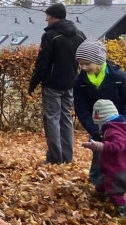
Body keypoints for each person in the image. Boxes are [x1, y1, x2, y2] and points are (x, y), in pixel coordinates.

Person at [74, 38, 126, 192]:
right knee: (99, 156)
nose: (83, 67)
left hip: (120, 126)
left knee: (120, 155)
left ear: (98, 61)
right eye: (80, 64)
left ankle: (121, 184)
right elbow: (81, 108)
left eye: (87, 64)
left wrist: (123, 123)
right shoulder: (80, 82)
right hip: (97, 127)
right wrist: (93, 129)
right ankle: (100, 185)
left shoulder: (119, 77)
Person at [28, 3, 86, 164]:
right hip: (71, 83)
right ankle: (67, 157)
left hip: (52, 84)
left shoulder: (50, 36)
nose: (46, 18)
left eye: (48, 15)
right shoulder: (79, 34)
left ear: (54, 17)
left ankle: (55, 157)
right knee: (66, 119)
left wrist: (34, 81)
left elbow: (43, 62)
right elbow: (85, 57)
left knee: (52, 120)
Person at [81, 99, 126, 217]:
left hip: (118, 169)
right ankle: (100, 194)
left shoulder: (112, 131)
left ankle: (124, 209)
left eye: (99, 124)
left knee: (116, 192)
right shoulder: (123, 127)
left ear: (103, 120)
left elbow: (118, 145)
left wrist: (100, 146)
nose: (99, 127)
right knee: (104, 181)